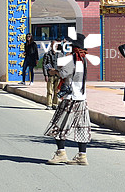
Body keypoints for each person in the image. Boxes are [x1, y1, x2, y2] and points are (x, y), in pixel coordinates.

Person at [45, 33, 92, 166]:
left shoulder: (73, 58)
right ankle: (82, 156)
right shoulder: (84, 59)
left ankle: (61, 153)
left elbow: (63, 73)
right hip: (81, 98)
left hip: (70, 98)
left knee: (59, 126)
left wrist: (53, 72)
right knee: (81, 127)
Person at [43, 40, 60, 109]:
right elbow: (44, 65)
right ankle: (49, 104)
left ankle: (55, 104)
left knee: (57, 91)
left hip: (58, 75)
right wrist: (46, 75)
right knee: (49, 90)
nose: (54, 46)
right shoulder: (47, 54)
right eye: (53, 45)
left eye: (56, 45)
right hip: (50, 75)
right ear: (50, 46)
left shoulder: (60, 54)